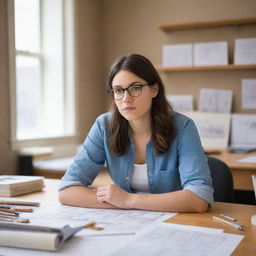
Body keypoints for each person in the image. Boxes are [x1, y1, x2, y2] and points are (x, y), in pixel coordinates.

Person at [59, 54, 213, 212]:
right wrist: (120, 202)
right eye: (118, 90)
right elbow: (67, 191)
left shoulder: (183, 127)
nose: (126, 98)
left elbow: (199, 198)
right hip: (129, 223)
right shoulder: (104, 125)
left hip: (175, 222)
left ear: (154, 90)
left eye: (135, 88)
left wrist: (128, 200)